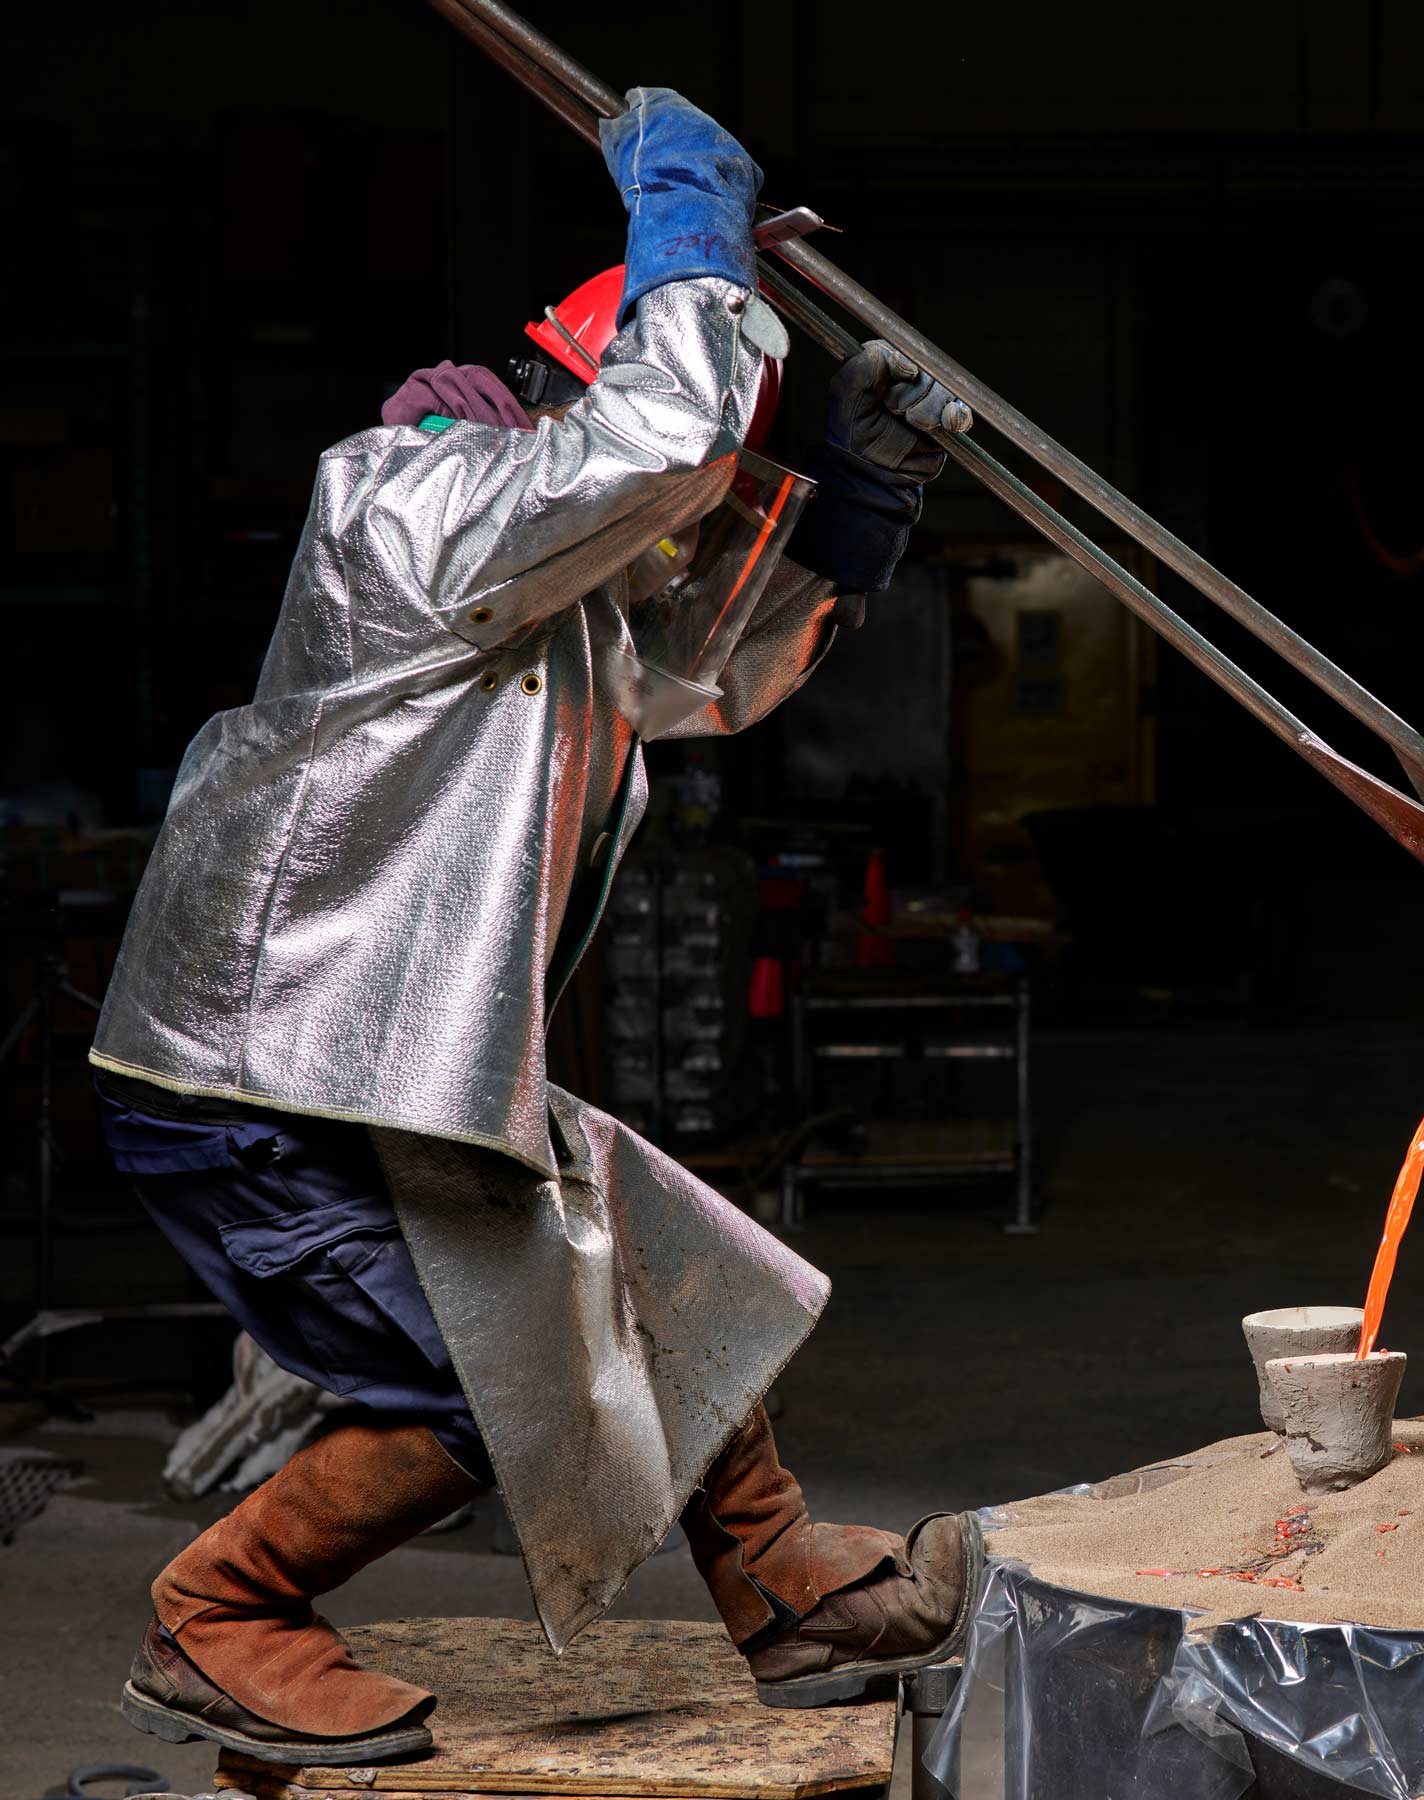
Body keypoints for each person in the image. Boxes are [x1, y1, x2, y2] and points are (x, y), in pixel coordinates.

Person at [92, 88, 976, 1767]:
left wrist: (859, 497)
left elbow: (699, 661)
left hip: (388, 1060)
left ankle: (779, 1585)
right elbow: (654, 456)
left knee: (652, 1266)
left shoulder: (556, 597)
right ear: (594, 391)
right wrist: (693, 240)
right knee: (479, 1382)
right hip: (258, 1080)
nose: (692, 513)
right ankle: (217, 1614)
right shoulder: (408, 498)